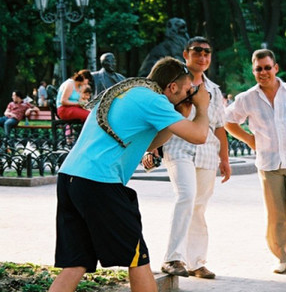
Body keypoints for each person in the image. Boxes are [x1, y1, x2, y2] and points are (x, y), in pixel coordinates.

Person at [48, 56, 211, 292]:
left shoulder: (133, 93)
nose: (191, 94)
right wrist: (203, 107)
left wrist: (181, 116)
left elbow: (147, 142)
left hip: (70, 178)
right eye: (188, 89)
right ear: (172, 87)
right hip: (99, 182)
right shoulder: (154, 100)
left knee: (76, 262)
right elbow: (199, 135)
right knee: (138, 258)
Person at [225, 49, 286, 274]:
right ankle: (281, 258)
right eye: (258, 69)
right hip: (269, 164)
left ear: (276, 67)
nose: (263, 72)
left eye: (267, 67)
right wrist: (248, 139)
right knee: (276, 216)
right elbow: (228, 120)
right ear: (254, 71)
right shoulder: (247, 98)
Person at [152, 36, 231, 279]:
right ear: (186, 54)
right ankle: (173, 258)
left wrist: (225, 159)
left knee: (199, 206)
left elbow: (219, 127)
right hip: (178, 148)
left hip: (207, 153)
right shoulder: (174, 82)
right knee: (186, 196)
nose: (203, 57)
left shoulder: (214, 90)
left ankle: (197, 262)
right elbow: (158, 114)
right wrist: (152, 148)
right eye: (197, 51)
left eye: (207, 52)